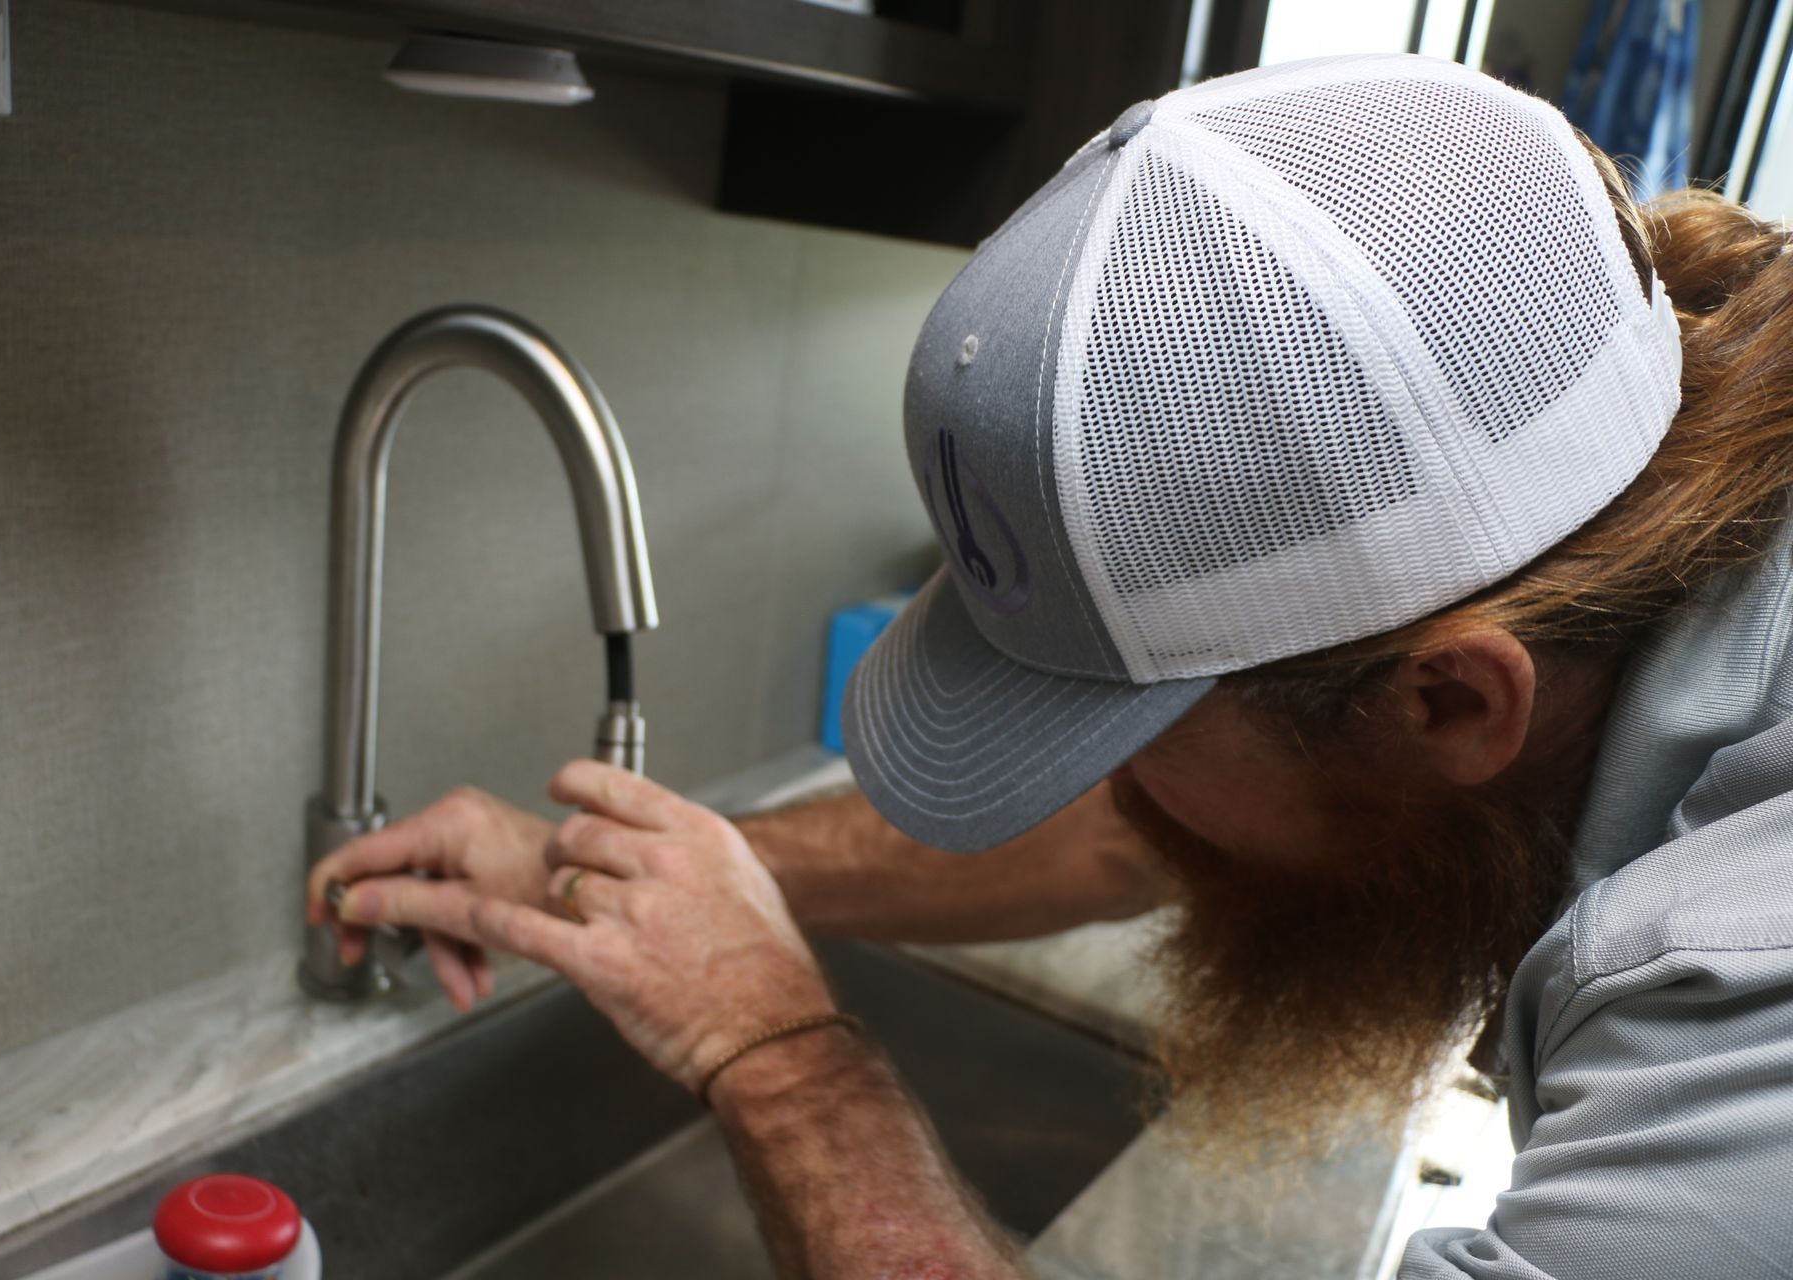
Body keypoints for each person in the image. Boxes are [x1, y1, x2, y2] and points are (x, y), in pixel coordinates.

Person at [305, 53, 1793, 1279]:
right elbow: (1168, 820)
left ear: (1450, 701)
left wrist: (776, 1055)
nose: (1111, 789)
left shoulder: (1735, 986)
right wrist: (632, 878)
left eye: (1122, 730)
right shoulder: (1633, 428)